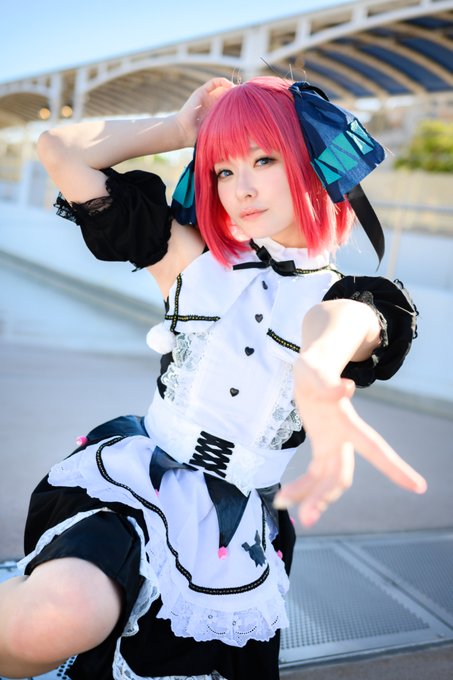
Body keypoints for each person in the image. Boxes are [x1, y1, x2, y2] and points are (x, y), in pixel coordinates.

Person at [0, 76, 426, 680]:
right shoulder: (193, 263)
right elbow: (59, 149)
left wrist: (317, 366)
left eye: (263, 159)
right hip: (137, 488)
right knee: (53, 617)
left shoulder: (351, 298)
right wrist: (177, 129)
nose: (241, 187)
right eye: (223, 169)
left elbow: (346, 322)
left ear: (310, 159)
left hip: (233, 535)